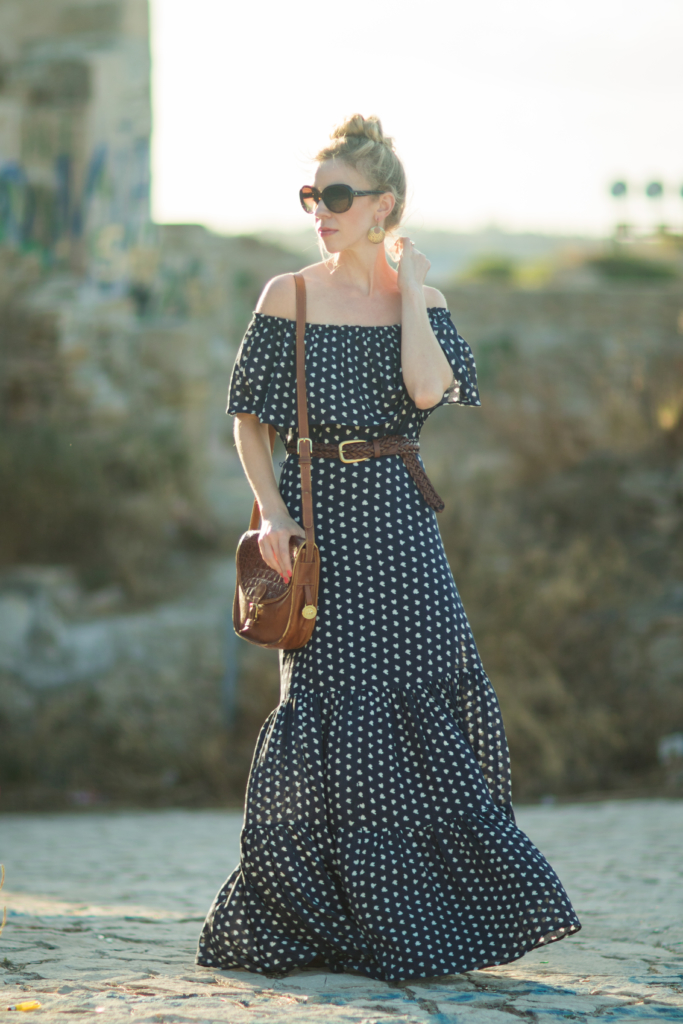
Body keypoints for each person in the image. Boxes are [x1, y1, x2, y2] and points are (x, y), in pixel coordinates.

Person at [197, 114, 580, 982]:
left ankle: (426, 915)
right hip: (315, 520)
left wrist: (409, 290)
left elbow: (423, 390)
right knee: (326, 705)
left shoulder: (428, 306)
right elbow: (247, 422)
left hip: (400, 522)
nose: (319, 212)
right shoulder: (284, 295)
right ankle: (322, 916)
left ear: (384, 206)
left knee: (421, 692)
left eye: (336, 197)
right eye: (311, 196)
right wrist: (269, 515)